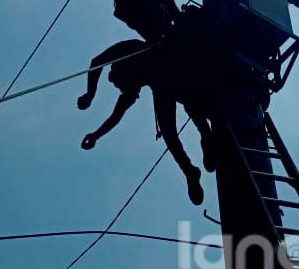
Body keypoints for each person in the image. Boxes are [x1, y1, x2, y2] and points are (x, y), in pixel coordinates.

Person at [77, 38, 213, 205]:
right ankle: (190, 171)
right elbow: (116, 115)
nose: (122, 89)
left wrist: (90, 94)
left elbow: (96, 62)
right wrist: (96, 135)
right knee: (169, 132)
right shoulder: (131, 86)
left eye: (120, 85)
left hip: (171, 63)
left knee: (190, 101)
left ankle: (206, 138)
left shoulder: (128, 51)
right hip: (162, 85)